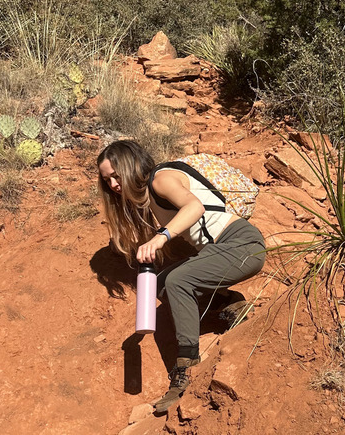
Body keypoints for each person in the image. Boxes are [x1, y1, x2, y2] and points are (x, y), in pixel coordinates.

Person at [96, 140, 265, 413]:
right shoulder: (149, 195)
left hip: (242, 244)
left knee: (178, 281)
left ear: (130, 166)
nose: (114, 184)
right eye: (108, 181)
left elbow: (194, 207)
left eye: (116, 175)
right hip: (221, 251)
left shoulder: (160, 179)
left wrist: (160, 238)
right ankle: (230, 306)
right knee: (161, 283)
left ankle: (186, 368)